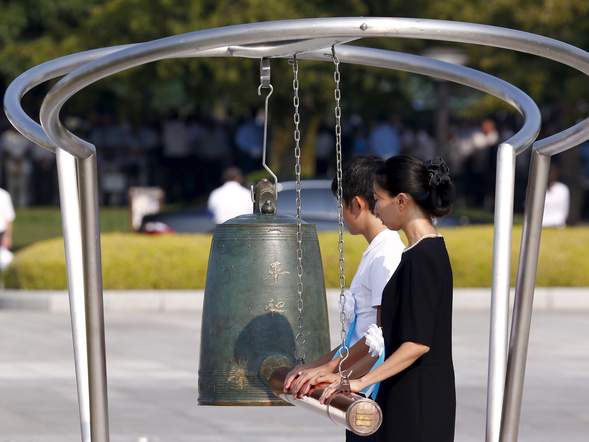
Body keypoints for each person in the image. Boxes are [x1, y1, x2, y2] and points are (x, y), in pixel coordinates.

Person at [304, 155, 456, 442]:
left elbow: (416, 344)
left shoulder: (425, 256)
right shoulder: (414, 254)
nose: (374, 208)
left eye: (378, 199)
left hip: (419, 398)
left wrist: (358, 381)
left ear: (401, 201)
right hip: (402, 393)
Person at [283, 156, 405, 442]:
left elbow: (381, 336)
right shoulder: (376, 251)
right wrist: (318, 366)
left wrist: (331, 372)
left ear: (358, 204)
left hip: (373, 389)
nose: (340, 211)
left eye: (341, 203)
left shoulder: (387, 254)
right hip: (357, 382)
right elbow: (358, 337)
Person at [0, 187, 16, 271]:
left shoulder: (3, 195)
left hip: (1, 234)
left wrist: (8, 237)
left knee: (5, 260)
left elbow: (8, 218)